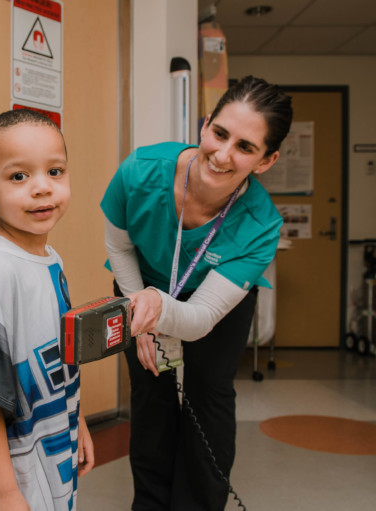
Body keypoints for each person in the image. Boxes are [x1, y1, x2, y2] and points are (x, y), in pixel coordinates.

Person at [101, 76, 293, 510]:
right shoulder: (140, 171)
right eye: (220, 133)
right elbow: (119, 246)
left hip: (214, 301)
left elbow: (201, 318)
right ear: (205, 125)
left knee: (208, 393)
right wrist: (142, 321)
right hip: (141, 283)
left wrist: (160, 311)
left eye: (246, 147)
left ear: (266, 160)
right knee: (152, 393)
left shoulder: (260, 224)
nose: (223, 155)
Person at [0, 109, 94, 511]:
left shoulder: (51, 260)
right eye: (18, 177)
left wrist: (76, 422)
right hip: (9, 469)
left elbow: (59, 361)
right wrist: (5, 491)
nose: (42, 188)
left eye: (55, 172)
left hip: (51, 445)